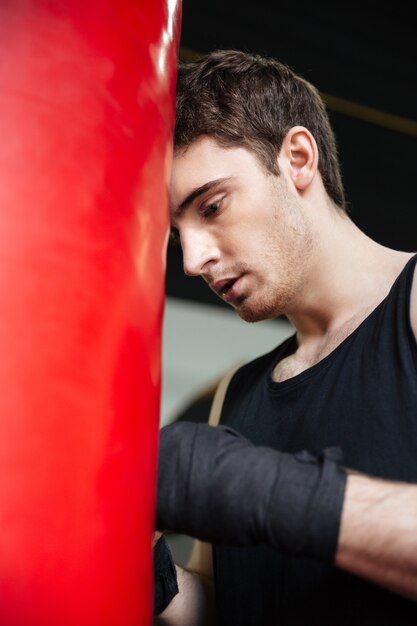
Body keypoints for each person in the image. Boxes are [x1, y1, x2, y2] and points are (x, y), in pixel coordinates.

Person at [155, 49, 417, 626]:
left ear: (298, 158)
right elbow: (226, 604)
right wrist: (149, 570)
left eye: (213, 205)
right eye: (179, 235)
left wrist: (264, 492)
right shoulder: (239, 393)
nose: (194, 260)